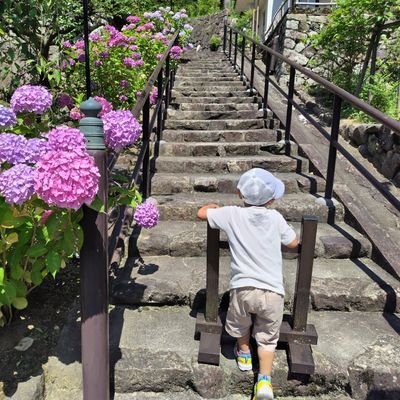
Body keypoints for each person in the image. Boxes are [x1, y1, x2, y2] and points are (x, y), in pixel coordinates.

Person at [197, 168, 299, 400]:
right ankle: (264, 381)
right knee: (267, 338)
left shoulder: (231, 214)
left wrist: (213, 206)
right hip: (272, 291)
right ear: (272, 199)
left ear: (238, 193)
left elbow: (201, 213)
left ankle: (243, 352)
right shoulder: (275, 217)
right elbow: (293, 242)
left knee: (241, 324)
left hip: (242, 288)